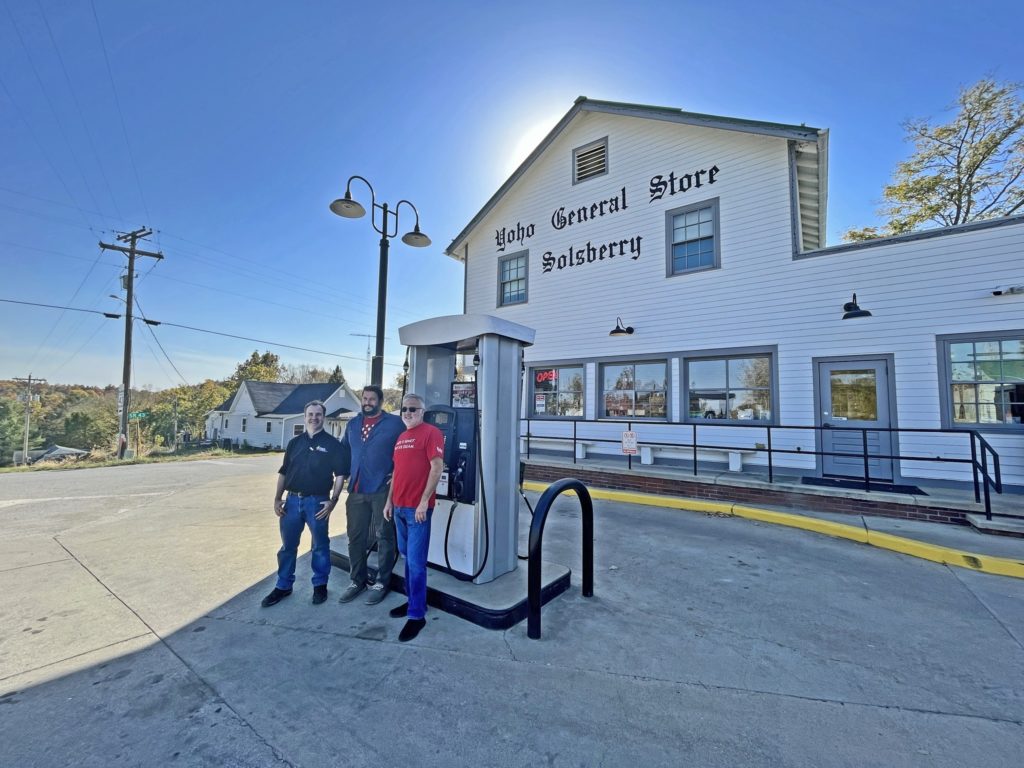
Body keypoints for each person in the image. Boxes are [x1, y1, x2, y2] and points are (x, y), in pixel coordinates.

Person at [262, 400, 347, 607]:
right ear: (305, 416)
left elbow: (340, 475)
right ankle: (283, 586)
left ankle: (320, 586)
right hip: (291, 502)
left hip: (317, 502)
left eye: (318, 414)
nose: (314, 418)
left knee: (320, 545)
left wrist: (333, 501)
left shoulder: (332, 444)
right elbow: (283, 472)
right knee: (288, 546)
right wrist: (276, 498)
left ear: (323, 417)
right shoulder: (294, 443)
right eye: (310, 414)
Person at [384, 393, 445, 642]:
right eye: (404, 409)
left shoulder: (431, 433)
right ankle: (413, 602)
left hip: (417, 510)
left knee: (417, 564)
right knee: (408, 559)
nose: (407, 413)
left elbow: (437, 467)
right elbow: (396, 472)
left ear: (422, 412)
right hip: (398, 508)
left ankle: (417, 615)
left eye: (413, 409)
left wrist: (423, 502)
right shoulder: (401, 437)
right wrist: (389, 501)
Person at [337, 385, 405, 605]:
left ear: (381, 401)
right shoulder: (353, 424)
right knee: (355, 536)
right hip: (356, 489)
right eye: (364, 398)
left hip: (382, 490)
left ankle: (381, 583)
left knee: (384, 536)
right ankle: (357, 581)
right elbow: (343, 451)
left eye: (371, 399)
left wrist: (396, 474)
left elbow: (405, 450)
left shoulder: (395, 424)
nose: (367, 402)